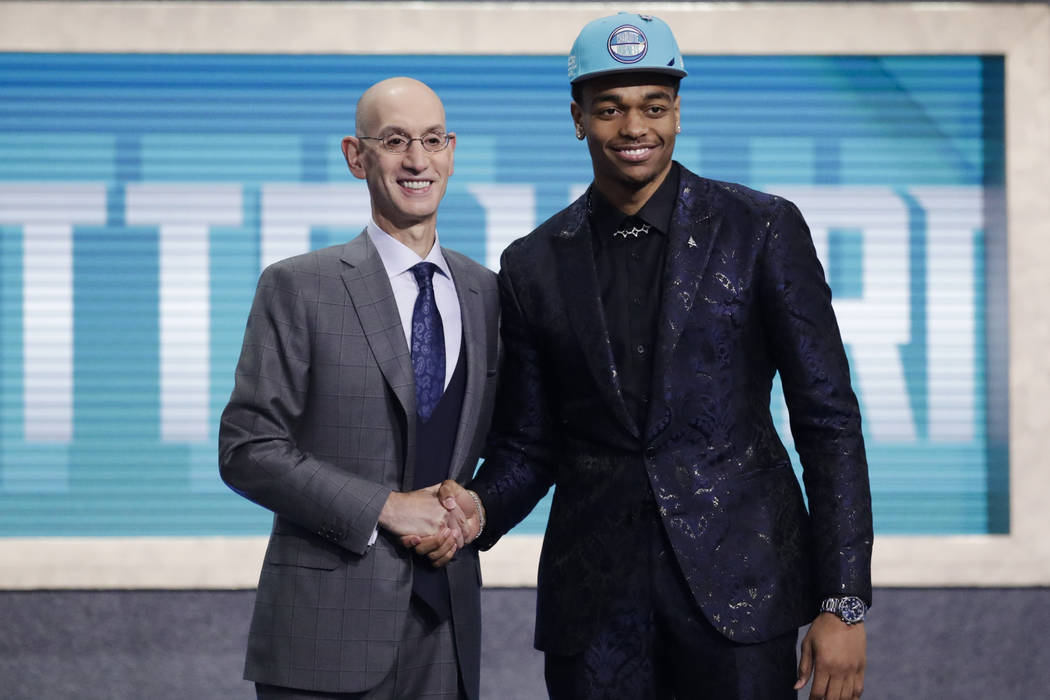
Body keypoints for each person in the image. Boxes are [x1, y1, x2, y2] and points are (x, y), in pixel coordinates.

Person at [414, 12, 873, 700]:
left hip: (743, 599)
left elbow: (828, 422)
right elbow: (530, 445)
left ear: (678, 114)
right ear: (578, 119)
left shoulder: (762, 228)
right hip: (593, 612)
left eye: (653, 107)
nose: (635, 128)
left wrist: (842, 602)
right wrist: (477, 508)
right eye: (611, 109)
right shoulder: (532, 263)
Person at [219, 77, 498, 700]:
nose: (417, 161)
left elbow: (517, 442)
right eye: (395, 140)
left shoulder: (487, 293)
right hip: (323, 632)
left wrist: (476, 511)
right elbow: (247, 447)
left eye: (431, 140)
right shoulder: (299, 286)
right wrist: (385, 507)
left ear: (451, 150)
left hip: (447, 627)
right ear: (356, 156)